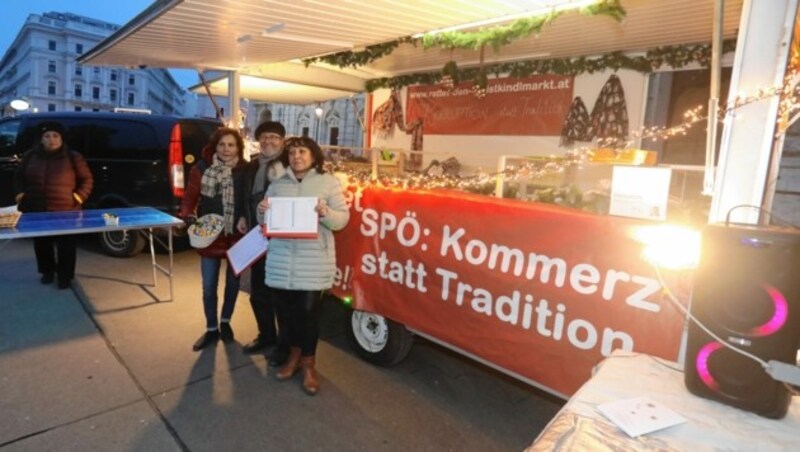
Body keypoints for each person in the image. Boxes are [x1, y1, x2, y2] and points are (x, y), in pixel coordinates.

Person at [257, 136, 349, 395]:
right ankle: (294, 358)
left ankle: (309, 364)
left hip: (313, 261)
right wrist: (262, 210)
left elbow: (342, 219)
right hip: (282, 259)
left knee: (308, 314)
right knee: (286, 316)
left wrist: (326, 214)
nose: (297, 156)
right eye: (293, 152)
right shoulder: (277, 185)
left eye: (302, 151)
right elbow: (262, 220)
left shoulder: (328, 183)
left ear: (313, 156)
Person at [180, 127, 247, 351]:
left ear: (238, 148)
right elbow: (190, 198)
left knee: (233, 283)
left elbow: (249, 200)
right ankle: (211, 329)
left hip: (236, 235)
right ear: (214, 146)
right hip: (209, 235)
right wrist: (189, 217)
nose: (226, 149)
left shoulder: (245, 170)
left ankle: (225, 322)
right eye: (222, 145)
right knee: (209, 286)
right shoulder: (201, 169)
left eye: (231, 145)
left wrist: (245, 217)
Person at [13, 121, 93, 290]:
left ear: (61, 138)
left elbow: (87, 180)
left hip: (66, 210)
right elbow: (19, 177)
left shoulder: (73, 157)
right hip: (37, 208)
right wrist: (20, 194)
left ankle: (65, 277)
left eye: (55, 136)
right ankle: (47, 272)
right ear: (41, 139)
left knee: (67, 246)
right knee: (42, 244)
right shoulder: (30, 156)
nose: (51, 139)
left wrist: (79, 197)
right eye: (47, 136)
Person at [238, 121, 289, 364]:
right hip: (256, 236)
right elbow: (244, 196)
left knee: (280, 295)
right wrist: (242, 217)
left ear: (282, 141)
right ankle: (266, 335)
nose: (268, 141)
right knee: (258, 292)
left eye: (274, 137)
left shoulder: (289, 166)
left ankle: (283, 344)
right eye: (264, 137)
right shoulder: (251, 166)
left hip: (281, 240)